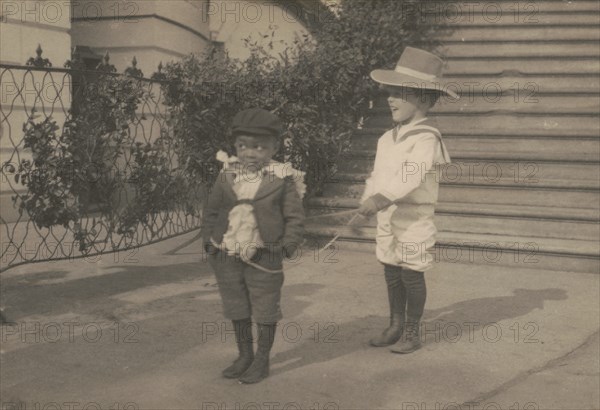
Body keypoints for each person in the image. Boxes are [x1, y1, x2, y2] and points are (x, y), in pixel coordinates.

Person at [357, 47, 459, 353]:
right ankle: (395, 324)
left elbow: (412, 176)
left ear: (424, 100)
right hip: (387, 214)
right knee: (390, 267)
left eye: (401, 93)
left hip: (415, 217)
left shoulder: (427, 137)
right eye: (390, 92)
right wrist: (368, 201)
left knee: (411, 272)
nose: (391, 99)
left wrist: (382, 198)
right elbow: (376, 176)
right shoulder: (386, 138)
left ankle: (412, 331)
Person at [201, 108, 305, 383]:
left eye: (260, 147)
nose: (250, 153)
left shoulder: (281, 179)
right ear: (235, 146)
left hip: (264, 254)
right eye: (243, 146)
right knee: (237, 305)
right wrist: (208, 243)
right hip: (227, 252)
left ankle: (262, 360)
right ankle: (244, 355)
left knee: (265, 307)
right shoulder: (226, 176)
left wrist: (286, 246)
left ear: (273, 148)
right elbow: (212, 210)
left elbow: (294, 216)